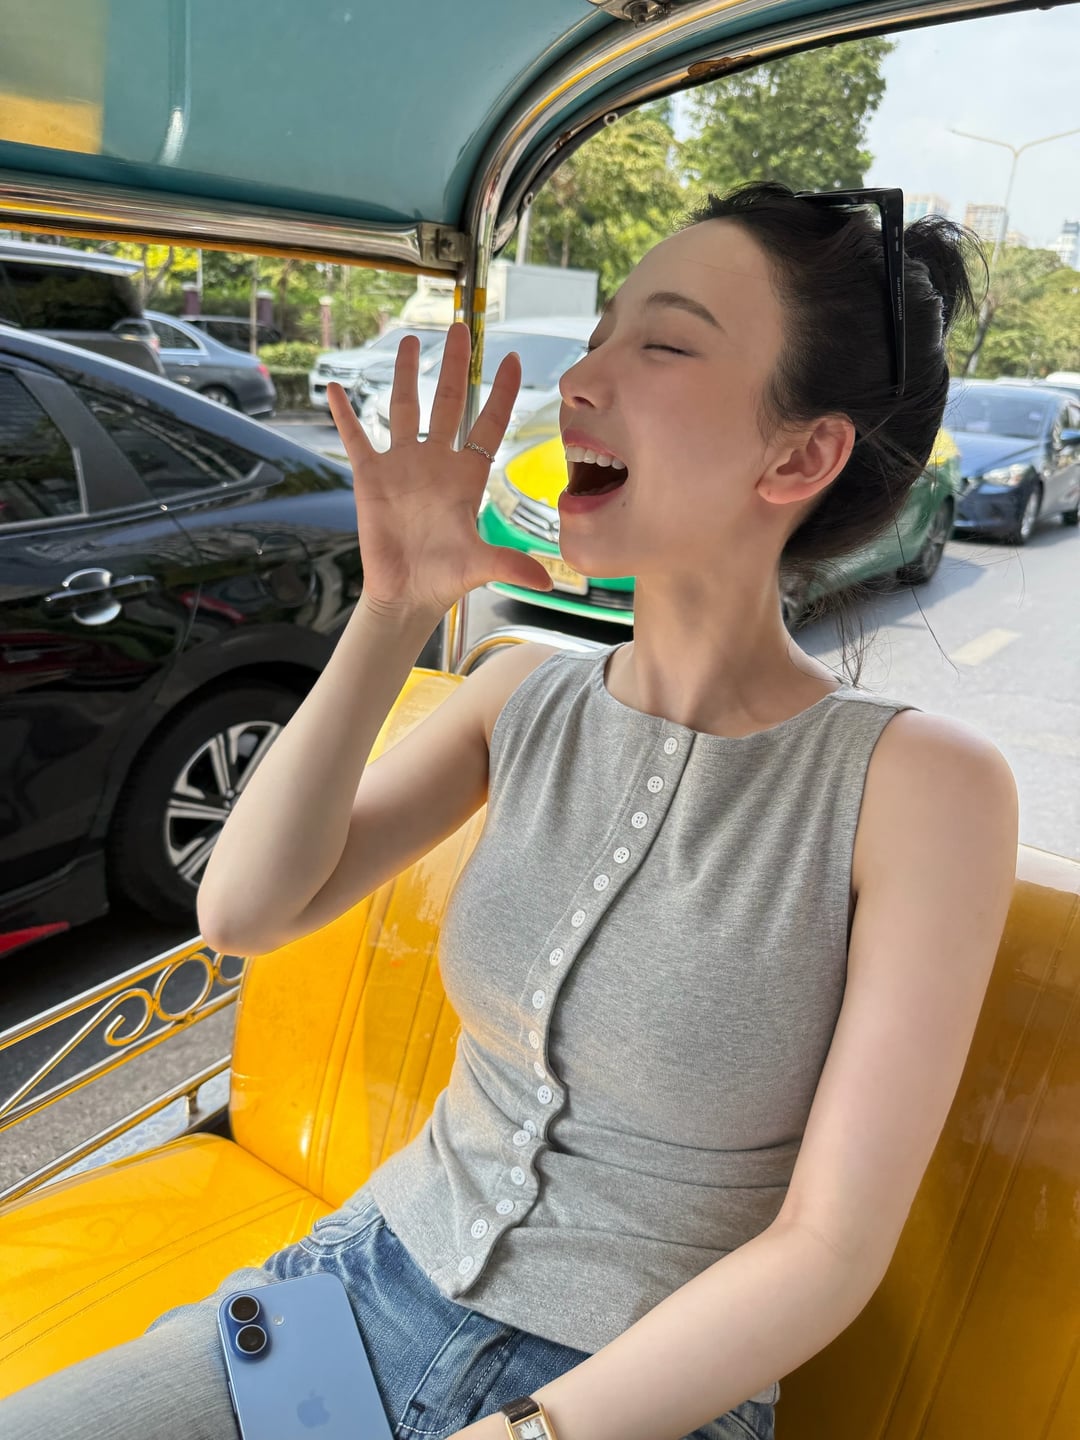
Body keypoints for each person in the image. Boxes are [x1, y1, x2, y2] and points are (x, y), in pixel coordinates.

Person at [3, 182, 1018, 1440]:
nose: (581, 377)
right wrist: (393, 610)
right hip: (355, 1293)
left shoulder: (921, 790)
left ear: (800, 456)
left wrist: (534, 1434)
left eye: (665, 343)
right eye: (599, 334)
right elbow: (244, 910)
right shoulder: (517, 694)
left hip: (638, 1395)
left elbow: (826, 1250)